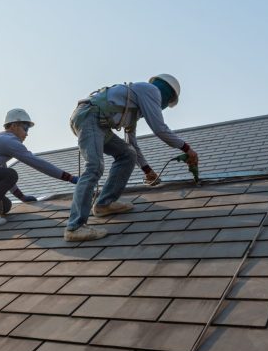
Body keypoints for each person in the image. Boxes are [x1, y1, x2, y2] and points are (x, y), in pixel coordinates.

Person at [64, 74, 199, 242]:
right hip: (90, 117)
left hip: (98, 121)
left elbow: (132, 144)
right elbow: (160, 129)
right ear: (168, 95)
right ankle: (74, 227)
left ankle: (104, 204)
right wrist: (187, 149)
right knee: (94, 167)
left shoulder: (133, 105)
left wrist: (147, 170)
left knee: (127, 154)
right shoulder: (151, 90)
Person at [0, 108, 78, 229]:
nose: (27, 134)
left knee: (4, 206)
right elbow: (37, 163)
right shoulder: (8, 141)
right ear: (14, 125)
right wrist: (70, 178)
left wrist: (22, 197)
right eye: (25, 128)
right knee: (11, 174)